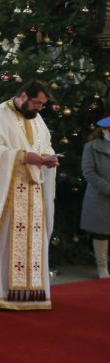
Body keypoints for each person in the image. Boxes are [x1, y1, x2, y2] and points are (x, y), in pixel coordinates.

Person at [0, 81, 59, 310]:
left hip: (33, 192)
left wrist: (48, 157)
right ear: (24, 96)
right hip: (7, 194)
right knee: (5, 242)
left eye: (42, 104)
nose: (39, 108)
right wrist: (22, 156)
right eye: (37, 102)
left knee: (33, 240)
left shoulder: (36, 119)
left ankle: (30, 291)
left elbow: (45, 144)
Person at [81, 116, 110, 279]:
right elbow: (88, 172)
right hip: (100, 197)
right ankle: (102, 267)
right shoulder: (91, 147)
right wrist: (107, 188)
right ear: (105, 131)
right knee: (101, 232)